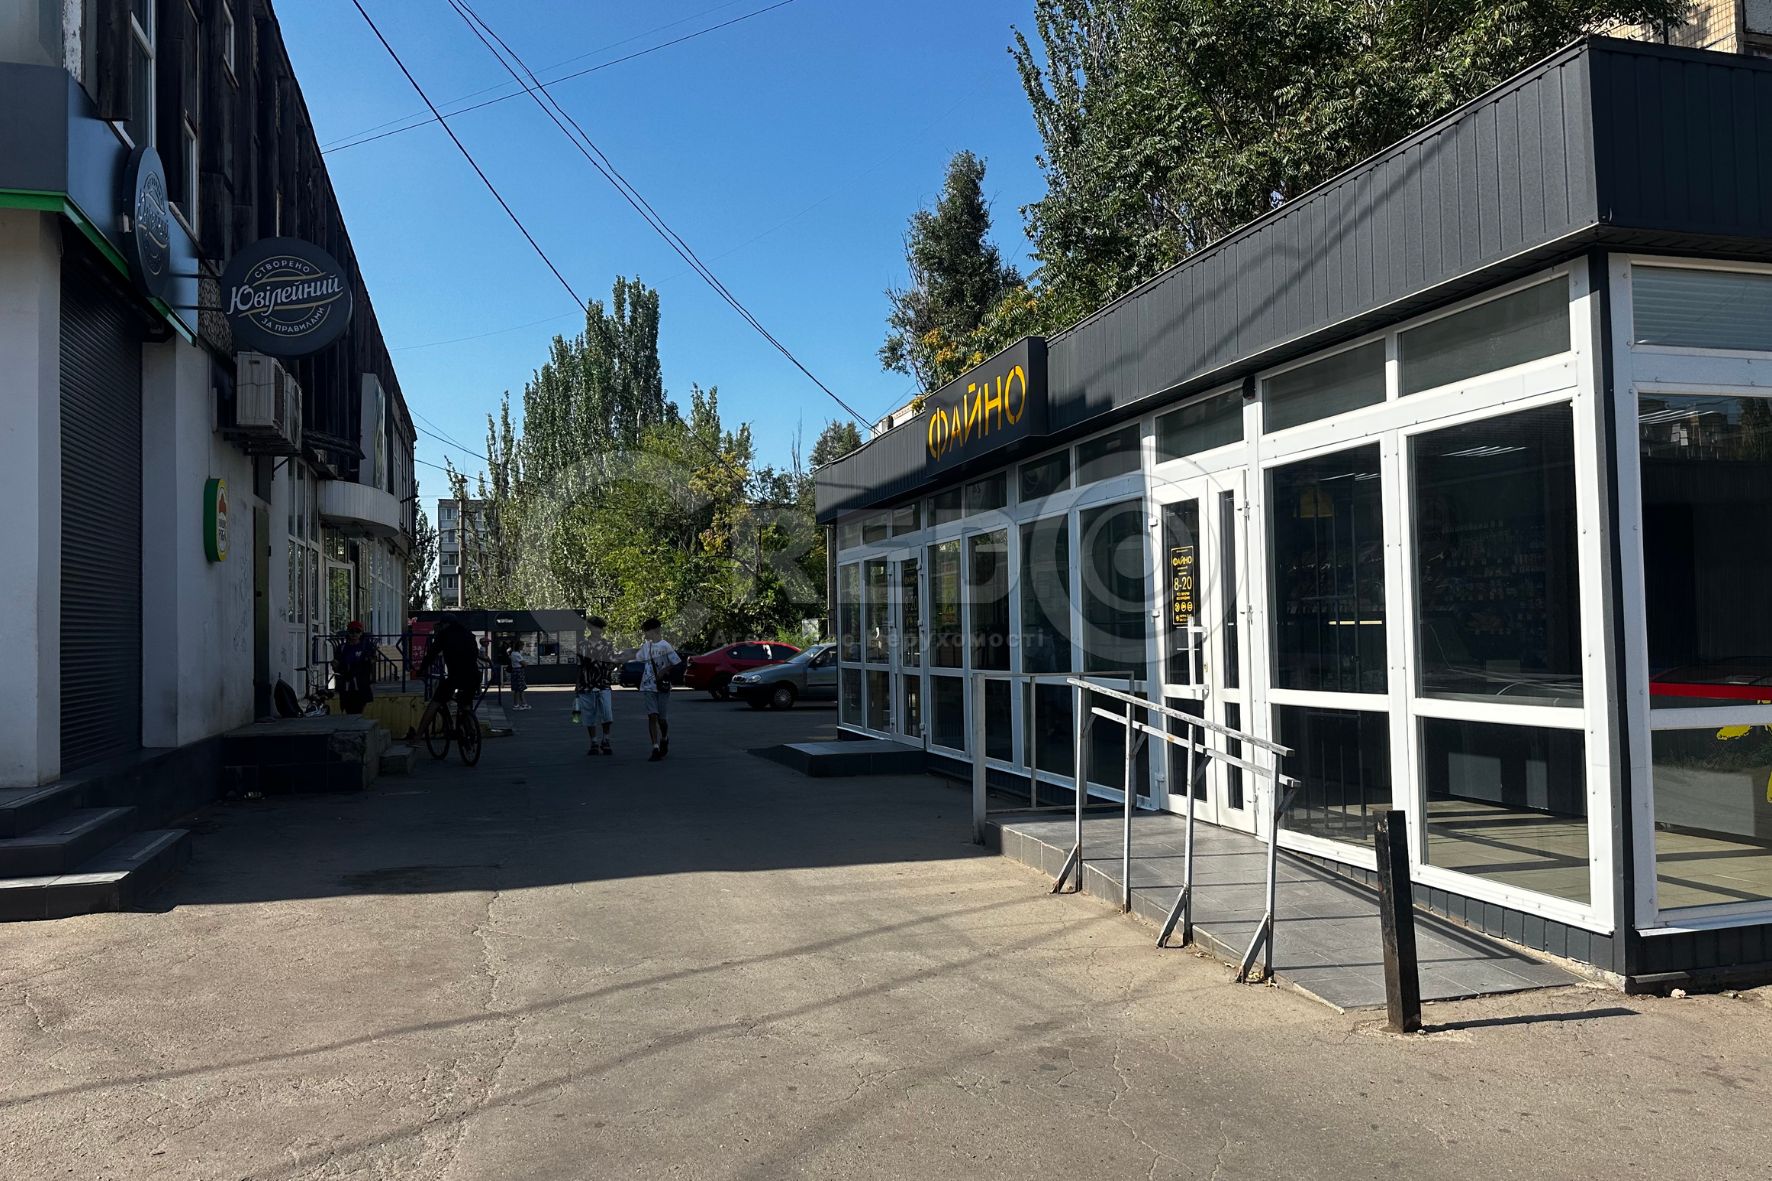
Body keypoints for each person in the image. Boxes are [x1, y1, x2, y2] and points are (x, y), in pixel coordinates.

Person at [415, 614, 481, 740]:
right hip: (473, 676)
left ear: (445, 624)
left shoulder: (444, 635)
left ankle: (417, 738)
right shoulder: (469, 634)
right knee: (466, 704)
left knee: (435, 703)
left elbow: (431, 655)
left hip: (455, 677)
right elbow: (475, 653)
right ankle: (471, 731)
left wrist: (421, 670)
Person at [637, 617, 680, 761]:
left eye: (646, 631)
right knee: (652, 716)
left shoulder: (665, 645)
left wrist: (664, 670)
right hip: (648, 685)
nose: (645, 634)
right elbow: (638, 657)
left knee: (662, 719)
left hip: (662, 686)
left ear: (655, 630)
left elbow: (676, 662)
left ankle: (665, 738)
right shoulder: (646, 646)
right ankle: (655, 747)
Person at [576, 615, 616, 756]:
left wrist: (616, 663)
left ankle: (606, 739)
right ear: (590, 628)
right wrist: (577, 686)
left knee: (607, 714)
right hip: (586, 684)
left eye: (600, 627)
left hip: (603, 684)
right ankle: (594, 742)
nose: (598, 630)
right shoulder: (582, 645)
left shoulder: (607, 645)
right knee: (589, 715)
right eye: (594, 627)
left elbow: (611, 664)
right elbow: (579, 667)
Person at [333, 621, 377, 715]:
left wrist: (366, 661)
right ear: (348, 632)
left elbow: (373, 659)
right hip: (347, 683)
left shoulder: (366, 646)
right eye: (351, 631)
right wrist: (335, 665)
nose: (354, 634)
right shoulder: (342, 647)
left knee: (359, 709)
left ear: (361, 633)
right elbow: (336, 662)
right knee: (348, 708)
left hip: (361, 683)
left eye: (357, 631)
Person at [508, 639, 530, 711]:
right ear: (520, 646)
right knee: (519, 689)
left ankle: (523, 703)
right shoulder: (516, 654)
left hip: (515, 671)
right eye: (522, 646)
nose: (523, 647)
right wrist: (526, 663)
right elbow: (524, 664)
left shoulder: (513, 653)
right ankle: (517, 705)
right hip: (518, 671)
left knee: (518, 689)